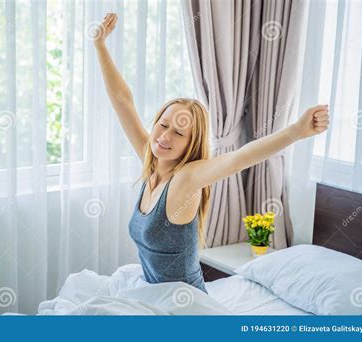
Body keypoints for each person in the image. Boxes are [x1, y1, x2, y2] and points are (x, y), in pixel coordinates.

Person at [93, 13, 330, 294]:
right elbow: (123, 102)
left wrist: (295, 131)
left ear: (191, 144)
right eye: (163, 124)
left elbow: (238, 159)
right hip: (151, 294)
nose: (165, 136)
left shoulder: (186, 179)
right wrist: (101, 46)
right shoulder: (151, 159)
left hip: (182, 306)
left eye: (179, 133)